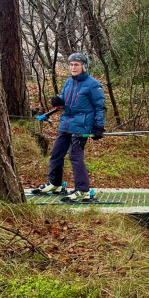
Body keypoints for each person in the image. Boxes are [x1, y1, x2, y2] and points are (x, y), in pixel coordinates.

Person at [35, 52, 105, 200]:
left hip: (82, 126)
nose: (73, 67)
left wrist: (99, 127)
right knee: (56, 153)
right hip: (66, 124)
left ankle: (83, 190)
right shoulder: (69, 82)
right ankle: (55, 183)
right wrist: (59, 100)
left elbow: (100, 107)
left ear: (84, 66)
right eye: (71, 65)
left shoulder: (93, 84)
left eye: (76, 65)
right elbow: (64, 98)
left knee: (75, 156)